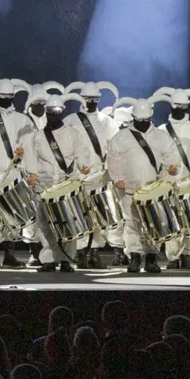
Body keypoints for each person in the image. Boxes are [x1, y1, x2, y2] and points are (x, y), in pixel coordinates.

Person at [106, 99, 183, 273]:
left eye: (145, 120)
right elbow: (112, 158)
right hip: (129, 188)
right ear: (133, 117)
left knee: (153, 223)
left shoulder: (161, 136)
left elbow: (172, 157)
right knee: (131, 223)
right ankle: (134, 256)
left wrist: (172, 169)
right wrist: (117, 178)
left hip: (152, 190)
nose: (143, 123)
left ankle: (151, 258)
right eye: (139, 120)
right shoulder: (122, 136)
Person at [22, 94, 89, 272]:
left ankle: (66, 260)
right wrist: (32, 175)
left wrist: (84, 167)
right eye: (51, 112)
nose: (54, 115)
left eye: (58, 112)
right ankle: (49, 259)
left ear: (63, 112)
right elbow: (32, 159)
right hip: (44, 185)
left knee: (68, 222)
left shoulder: (72, 133)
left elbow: (80, 155)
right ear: (46, 112)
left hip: (64, 183)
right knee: (44, 224)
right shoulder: (37, 136)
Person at [0, 79, 36, 269]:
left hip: (14, 173)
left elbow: (31, 146)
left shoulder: (23, 119)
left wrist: (29, 167)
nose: (6, 100)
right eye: (3, 97)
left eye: (9, 97)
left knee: (13, 213)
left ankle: (10, 254)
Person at [64, 82, 119, 268]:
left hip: (99, 175)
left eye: (95, 99)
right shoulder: (71, 120)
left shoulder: (107, 121)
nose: (91, 102)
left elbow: (115, 147)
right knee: (78, 215)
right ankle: (80, 253)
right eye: (88, 99)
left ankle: (94, 252)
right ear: (82, 99)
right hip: (77, 175)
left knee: (98, 217)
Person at [152, 87, 190, 269]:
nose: (180, 108)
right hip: (169, 181)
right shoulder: (161, 131)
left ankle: (187, 255)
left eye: (183, 105)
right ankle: (173, 257)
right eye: (177, 105)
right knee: (171, 220)